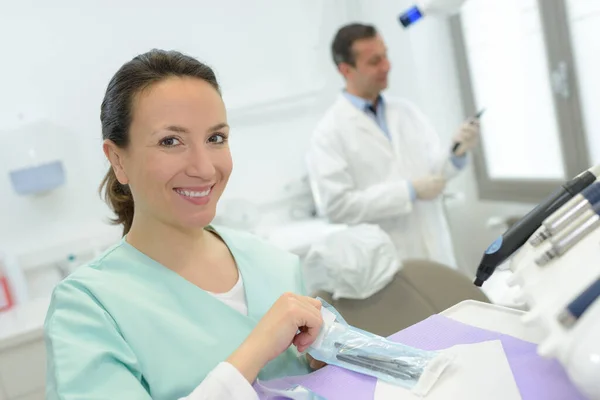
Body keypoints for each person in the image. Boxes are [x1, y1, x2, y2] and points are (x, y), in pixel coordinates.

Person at [44, 49, 325, 400]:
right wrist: (256, 350)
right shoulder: (88, 308)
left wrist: (329, 363)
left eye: (215, 138)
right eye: (170, 141)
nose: (204, 168)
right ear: (118, 159)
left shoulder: (275, 264)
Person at [306, 23, 480, 268]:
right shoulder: (329, 133)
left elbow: (433, 174)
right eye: (374, 61)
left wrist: (456, 153)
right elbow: (338, 206)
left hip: (436, 250)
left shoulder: (406, 112)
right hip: (389, 262)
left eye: (385, 55)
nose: (386, 66)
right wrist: (407, 191)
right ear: (346, 69)